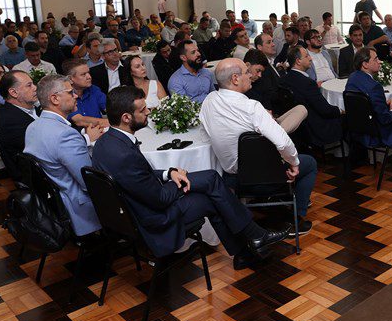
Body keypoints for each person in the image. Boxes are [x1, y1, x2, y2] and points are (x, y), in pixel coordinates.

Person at [92, 86, 290, 266]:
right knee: (212, 195)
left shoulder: (105, 142)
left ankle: (248, 246)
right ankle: (252, 241)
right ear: (126, 117)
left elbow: (135, 175)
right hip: (154, 217)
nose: (148, 112)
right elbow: (160, 198)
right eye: (142, 110)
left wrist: (168, 173)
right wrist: (179, 180)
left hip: (136, 208)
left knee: (212, 180)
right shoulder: (124, 154)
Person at [201, 58, 316, 235]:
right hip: (263, 178)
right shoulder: (250, 107)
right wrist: (294, 163)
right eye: (247, 72)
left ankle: (280, 206)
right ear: (235, 79)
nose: (250, 76)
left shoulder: (209, 101)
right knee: (308, 164)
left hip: (232, 177)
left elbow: (207, 132)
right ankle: (295, 219)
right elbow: (283, 142)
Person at [24, 75, 104, 237]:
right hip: (78, 207)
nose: (75, 96)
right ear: (55, 98)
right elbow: (88, 181)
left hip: (51, 203)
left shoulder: (32, 127)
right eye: (70, 92)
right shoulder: (65, 134)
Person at [282, 46, 343, 147]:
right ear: (298, 61)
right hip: (314, 127)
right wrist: (340, 110)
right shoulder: (308, 83)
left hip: (299, 126)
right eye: (307, 56)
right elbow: (325, 110)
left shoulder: (283, 79)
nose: (310, 58)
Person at [244, 49, 307, 133]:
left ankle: (277, 134)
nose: (260, 75)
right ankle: (277, 136)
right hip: (256, 127)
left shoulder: (259, 81)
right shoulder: (240, 86)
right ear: (247, 66)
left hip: (268, 120)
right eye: (258, 71)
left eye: (261, 72)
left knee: (302, 109)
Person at [0, 70, 38, 179]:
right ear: (14, 93)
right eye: (29, 86)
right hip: (38, 175)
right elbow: (43, 148)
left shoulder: (33, 107)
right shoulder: (11, 121)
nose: (35, 88)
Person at [64, 59, 108, 129]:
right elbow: (79, 120)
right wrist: (111, 123)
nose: (89, 77)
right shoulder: (65, 96)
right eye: (83, 74)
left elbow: (110, 108)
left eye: (88, 73)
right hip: (79, 136)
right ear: (70, 79)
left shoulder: (94, 89)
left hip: (101, 132)